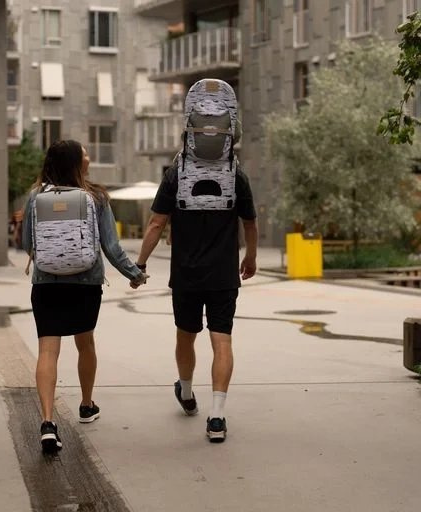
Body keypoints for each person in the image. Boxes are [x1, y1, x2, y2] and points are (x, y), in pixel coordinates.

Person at [133, 85, 258, 442]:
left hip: (186, 275)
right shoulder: (236, 175)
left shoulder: (176, 173)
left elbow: (156, 224)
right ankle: (217, 417)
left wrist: (140, 264)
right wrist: (250, 256)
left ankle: (187, 393)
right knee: (222, 340)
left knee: (185, 336)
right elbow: (250, 222)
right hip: (223, 276)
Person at [22, 140, 147, 454]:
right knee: (85, 342)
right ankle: (87, 404)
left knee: (47, 350)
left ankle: (47, 422)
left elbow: (27, 243)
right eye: (85, 153)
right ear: (76, 163)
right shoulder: (96, 197)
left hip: (46, 283)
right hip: (85, 284)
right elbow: (111, 247)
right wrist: (134, 274)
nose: (89, 157)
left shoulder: (36, 196)